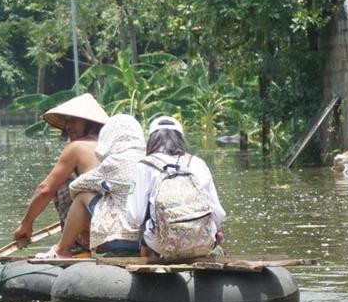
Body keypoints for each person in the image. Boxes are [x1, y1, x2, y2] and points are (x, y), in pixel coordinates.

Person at [33, 114, 145, 259]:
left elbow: (75, 187)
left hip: (120, 238)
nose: (68, 126)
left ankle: (62, 250)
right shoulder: (149, 162)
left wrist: (87, 220)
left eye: (73, 120)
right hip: (147, 240)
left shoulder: (111, 163)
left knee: (82, 197)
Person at [12, 93, 108, 244]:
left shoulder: (77, 147)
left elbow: (45, 190)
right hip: (116, 223)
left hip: (97, 225)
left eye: (74, 121)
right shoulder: (114, 147)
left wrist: (26, 225)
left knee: (64, 182)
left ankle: (74, 243)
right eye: (67, 121)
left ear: (90, 123)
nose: (69, 126)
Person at [127, 115, 226, 260]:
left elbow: (136, 216)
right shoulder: (198, 163)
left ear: (152, 139)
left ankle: (149, 267)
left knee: (145, 224)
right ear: (180, 138)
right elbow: (218, 214)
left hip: (161, 244)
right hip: (203, 241)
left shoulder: (143, 166)